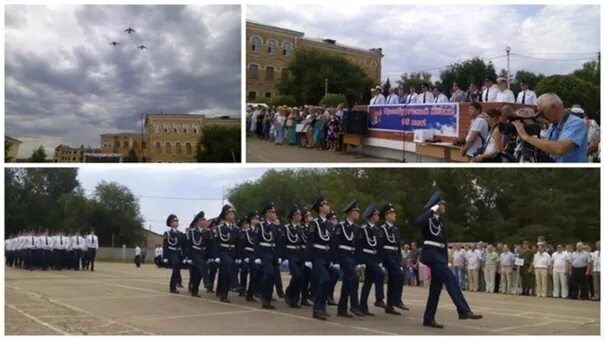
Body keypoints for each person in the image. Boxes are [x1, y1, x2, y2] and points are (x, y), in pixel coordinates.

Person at [416, 191, 482, 329]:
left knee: (436, 288)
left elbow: (444, 243)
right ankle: (463, 310)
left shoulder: (440, 221)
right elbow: (418, 222)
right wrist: (431, 209)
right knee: (451, 279)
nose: (444, 206)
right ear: (436, 206)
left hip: (439, 255)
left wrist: (445, 260)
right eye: (442, 204)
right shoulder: (428, 218)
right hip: (431, 254)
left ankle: (428, 318)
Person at [512, 93, 588, 162]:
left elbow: (560, 148)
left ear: (554, 107)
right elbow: (547, 148)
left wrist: (526, 136)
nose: (541, 116)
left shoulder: (576, 123)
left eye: (542, 112)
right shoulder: (553, 126)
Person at [334, 200, 363, 317]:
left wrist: (359, 262)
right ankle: (354, 306)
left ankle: (342, 308)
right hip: (343, 255)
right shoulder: (340, 226)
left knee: (347, 281)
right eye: (356, 211)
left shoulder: (357, 228)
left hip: (352, 257)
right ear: (351, 212)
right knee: (354, 277)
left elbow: (358, 246)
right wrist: (335, 260)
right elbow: (335, 243)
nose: (358, 213)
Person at [307, 195, 335, 320]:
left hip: (327, 256)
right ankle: (317, 308)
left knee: (328, 281)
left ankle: (322, 307)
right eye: (326, 204)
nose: (329, 207)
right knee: (323, 280)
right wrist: (308, 260)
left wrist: (334, 259)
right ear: (320, 207)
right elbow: (309, 242)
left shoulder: (329, 224)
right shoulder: (314, 223)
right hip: (317, 255)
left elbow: (332, 243)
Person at [377, 203, 408, 315]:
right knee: (398, 274)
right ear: (386, 216)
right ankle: (397, 299)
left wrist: (400, 261)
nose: (394, 215)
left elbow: (398, 247)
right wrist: (379, 260)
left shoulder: (396, 230)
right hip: (386, 254)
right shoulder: (381, 229)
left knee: (394, 278)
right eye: (391, 213)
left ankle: (390, 305)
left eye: (394, 213)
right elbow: (380, 245)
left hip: (395, 254)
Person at [358, 203, 385, 316]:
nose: (378, 216)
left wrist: (380, 260)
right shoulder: (363, 230)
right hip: (366, 256)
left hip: (374, 257)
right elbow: (359, 246)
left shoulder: (378, 230)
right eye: (376, 214)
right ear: (371, 216)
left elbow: (379, 247)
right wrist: (361, 262)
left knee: (368, 282)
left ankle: (362, 306)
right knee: (380, 272)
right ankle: (379, 299)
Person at [255, 203, 280, 309]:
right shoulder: (259, 225)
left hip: (273, 252)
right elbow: (256, 242)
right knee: (269, 273)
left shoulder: (275, 226)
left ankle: (267, 299)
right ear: (267, 213)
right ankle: (263, 295)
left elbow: (279, 241)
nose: (275, 214)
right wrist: (257, 256)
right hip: (264, 252)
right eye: (273, 212)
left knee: (273, 276)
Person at [213, 204, 238, 303]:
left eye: (233, 214)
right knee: (228, 269)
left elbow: (238, 243)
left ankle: (223, 293)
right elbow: (215, 243)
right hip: (223, 252)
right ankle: (229, 290)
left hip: (232, 252)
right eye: (230, 214)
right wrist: (216, 256)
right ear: (226, 216)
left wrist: (239, 256)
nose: (233, 216)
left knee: (225, 274)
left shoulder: (235, 229)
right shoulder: (219, 228)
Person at [282, 204, 305, 308]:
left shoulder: (301, 228)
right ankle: (290, 295)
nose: (299, 216)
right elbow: (282, 244)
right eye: (297, 214)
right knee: (297, 275)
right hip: (290, 254)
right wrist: (284, 257)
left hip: (299, 254)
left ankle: (293, 298)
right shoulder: (286, 228)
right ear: (292, 216)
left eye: (300, 214)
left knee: (299, 278)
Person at [186, 211, 213, 298]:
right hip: (195, 253)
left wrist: (210, 256)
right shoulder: (192, 232)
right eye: (201, 220)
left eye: (204, 220)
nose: (204, 222)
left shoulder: (208, 232)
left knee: (197, 274)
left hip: (204, 253)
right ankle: (207, 282)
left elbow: (209, 245)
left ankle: (194, 290)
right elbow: (189, 245)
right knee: (203, 265)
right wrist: (188, 257)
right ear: (197, 222)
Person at [163, 214, 184, 293]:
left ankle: (172, 287)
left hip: (178, 252)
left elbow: (183, 244)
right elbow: (165, 246)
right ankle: (178, 281)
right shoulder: (167, 233)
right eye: (175, 221)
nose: (177, 222)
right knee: (176, 264)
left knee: (176, 268)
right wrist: (165, 257)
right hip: (171, 252)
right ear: (171, 223)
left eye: (177, 221)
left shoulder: (180, 233)